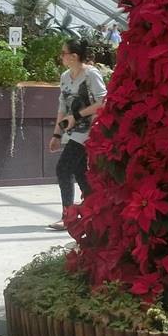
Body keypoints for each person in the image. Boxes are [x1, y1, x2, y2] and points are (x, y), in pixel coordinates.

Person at [47, 38, 107, 230]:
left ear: (74, 56)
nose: (61, 56)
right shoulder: (65, 77)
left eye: (63, 53)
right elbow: (62, 107)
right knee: (80, 172)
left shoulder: (91, 74)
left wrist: (77, 115)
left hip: (89, 131)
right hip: (72, 132)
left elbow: (103, 102)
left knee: (63, 168)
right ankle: (95, 212)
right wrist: (57, 135)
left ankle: (68, 217)